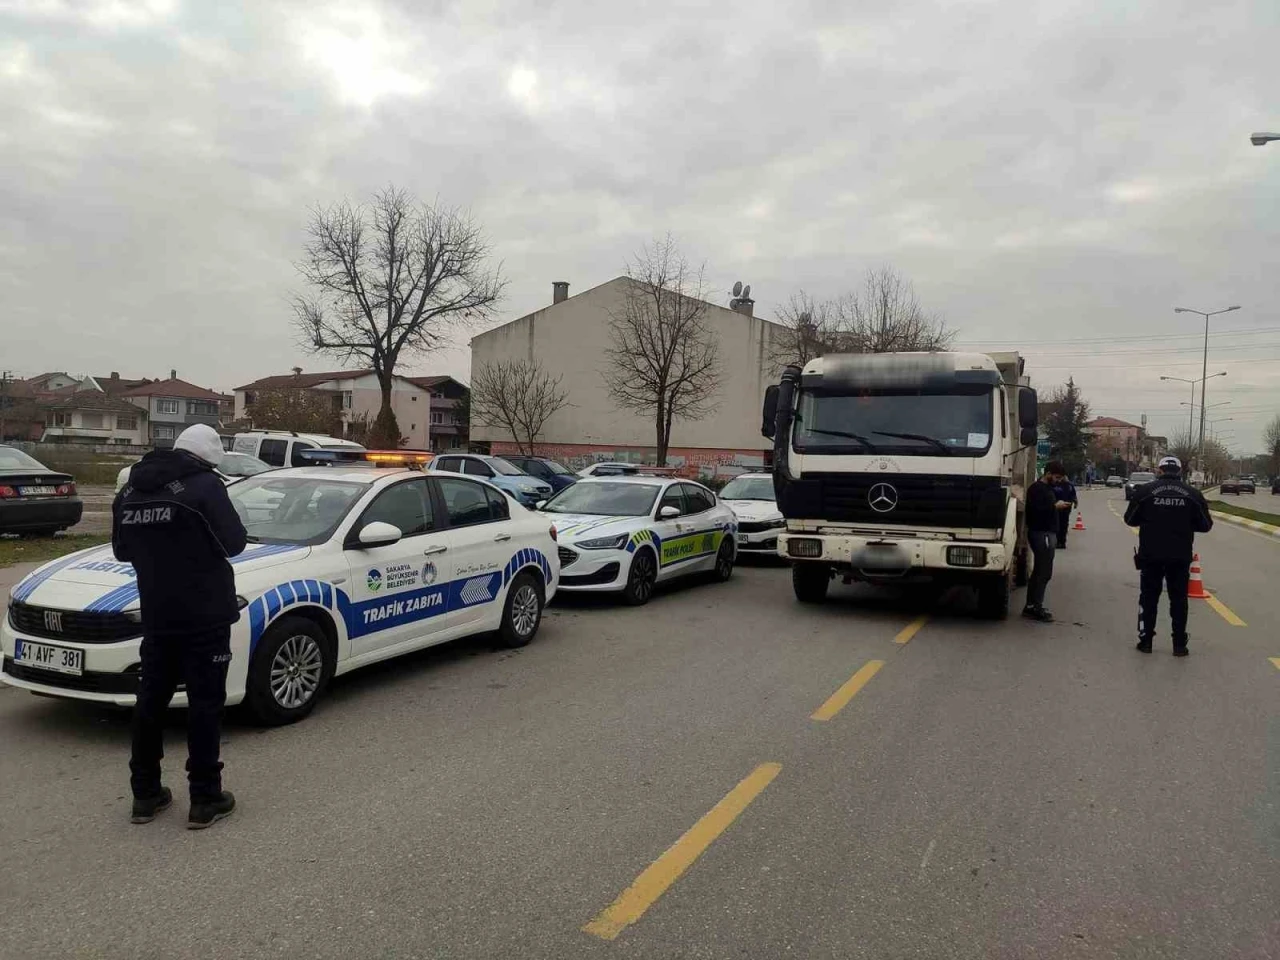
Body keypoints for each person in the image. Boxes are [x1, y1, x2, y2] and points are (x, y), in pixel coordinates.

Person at [112, 423, 247, 828]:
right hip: (205, 615)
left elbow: (121, 551)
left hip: (156, 614)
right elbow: (234, 543)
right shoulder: (205, 486)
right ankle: (205, 798)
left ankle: (145, 795)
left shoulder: (130, 490)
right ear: (209, 457)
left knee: (150, 702)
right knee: (205, 705)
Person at [1123, 455, 1212, 657]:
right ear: (1179, 471)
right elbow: (1205, 525)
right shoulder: (1193, 494)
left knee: (1148, 597)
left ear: (1160, 470)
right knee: (1179, 599)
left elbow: (1130, 519)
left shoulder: (1145, 492)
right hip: (1180, 556)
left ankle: (1145, 641)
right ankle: (1179, 644)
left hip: (1150, 555)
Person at [1023, 461, 1074, 622]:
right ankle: (1034, 607)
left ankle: (1032, 605)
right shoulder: (1036, 489)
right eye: (1057, 477)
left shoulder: (1048, 489)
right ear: (1048, 473)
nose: (1059, 481)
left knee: (1042, 571)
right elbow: (1036, 511)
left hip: (1047, 533)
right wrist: (1055, 507)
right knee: (1043, 571)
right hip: (1041, 533)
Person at [1053, 473, 1079, 549]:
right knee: (1057, 524)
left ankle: (1062, 542)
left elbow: (1073, 494)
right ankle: (1058, 541)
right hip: (1057, 507)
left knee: (1063, 525)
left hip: (1066, 507)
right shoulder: (1055, 484)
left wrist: (1075, 502)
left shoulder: (1069, 485)